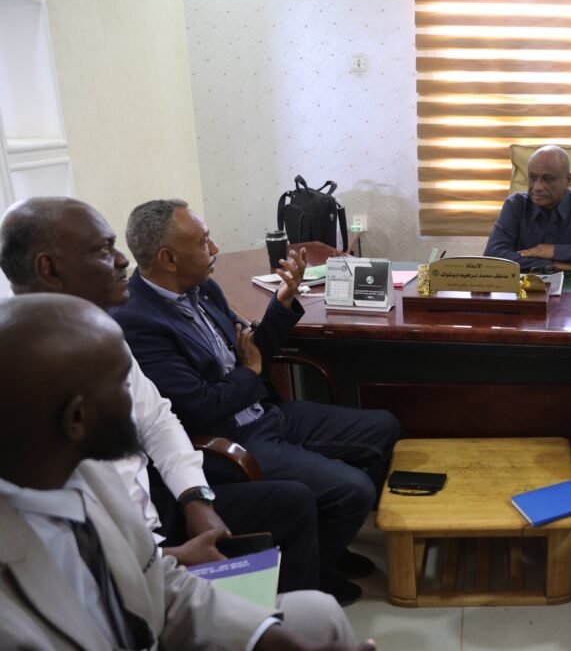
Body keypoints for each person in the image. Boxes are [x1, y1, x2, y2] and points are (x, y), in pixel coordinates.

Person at [0, 293, 373, 650]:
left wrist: (265, 639)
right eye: (121, 386)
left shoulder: (91, 479)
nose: (135, 402)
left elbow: (156, 583)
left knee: (319, 614)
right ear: (77, 418)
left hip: (155, 618)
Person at [0, 197, 325, 597]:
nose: (123, 260)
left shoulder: (100, 332)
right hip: (122, 567)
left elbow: (158, 420)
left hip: (161, 511)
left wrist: (196, 499)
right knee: (314, 613)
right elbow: (62, 543)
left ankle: (276, 612)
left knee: (293, 508)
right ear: (49, 269)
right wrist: (167, 558)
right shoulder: (20, 371)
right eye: (103, 250)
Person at [110, 199, 401, 604]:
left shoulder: (203, 289)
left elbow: (252, 350)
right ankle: (314, 570)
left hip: (264, 411)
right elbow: (201, 406)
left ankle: (327, 549)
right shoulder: (138, 322)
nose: (215, 249)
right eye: (203, 242)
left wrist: (282, 302)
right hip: (230, 437)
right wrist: (249, 371)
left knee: (383, 427)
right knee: (352, 489)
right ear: (169, 258)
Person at [483, 144, 571, 271]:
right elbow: (492, 257)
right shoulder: (516, 205)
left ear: (568, 180)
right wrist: (551, 265)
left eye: (548, 179)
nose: (537, 187)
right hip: (526, 289)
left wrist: (554, 250)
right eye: (532, 177)